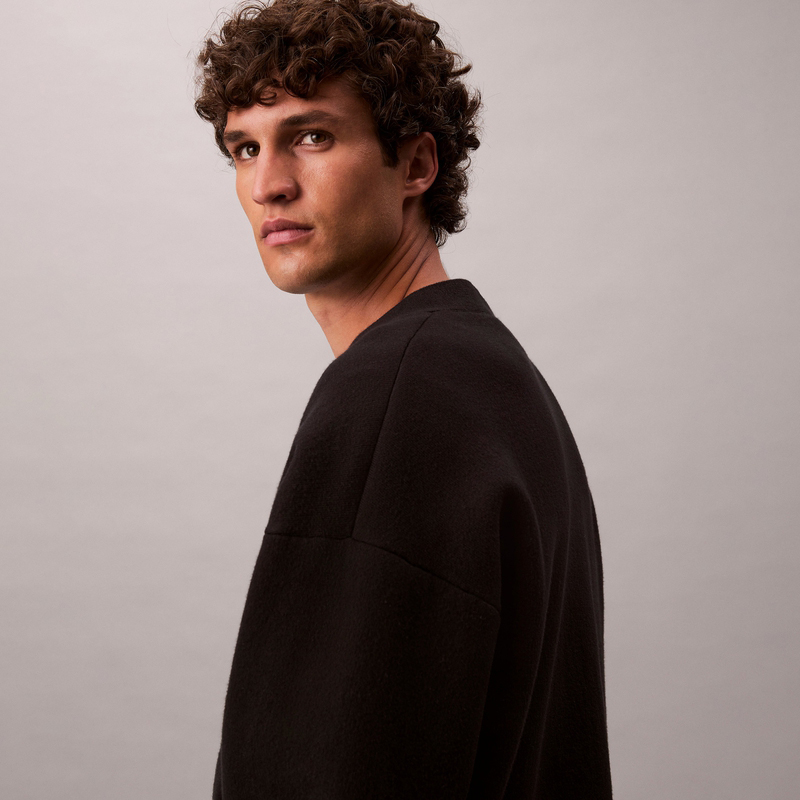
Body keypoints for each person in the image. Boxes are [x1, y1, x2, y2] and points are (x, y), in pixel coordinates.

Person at [195, 0, 613, 797]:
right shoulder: (496, 381)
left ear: (416, 166)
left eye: (311, 137)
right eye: (245, 148)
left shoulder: (390, 400)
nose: (269, 185)